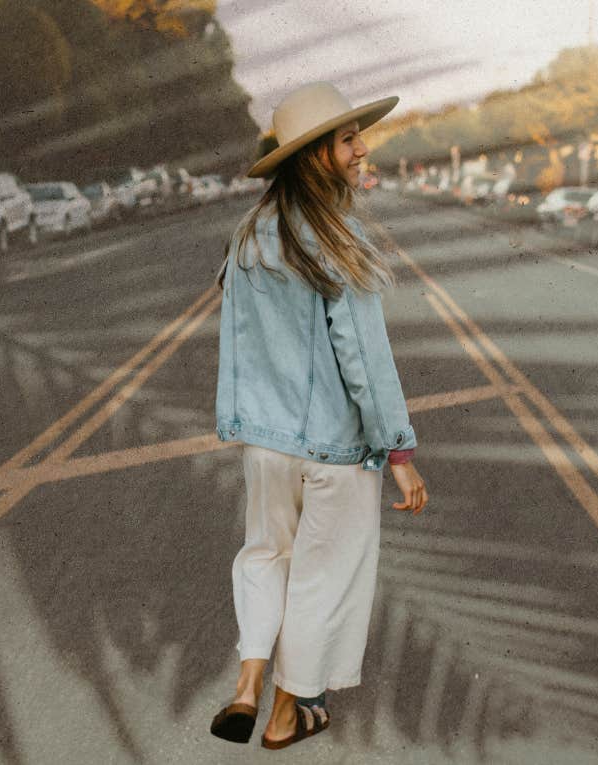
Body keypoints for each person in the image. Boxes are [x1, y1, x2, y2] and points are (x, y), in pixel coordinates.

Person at [209, 82, 429, 751]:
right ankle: (284, 714)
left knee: (264, 556)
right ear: (317, 158)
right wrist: (399, 452)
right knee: (319, 580)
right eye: (348, 138)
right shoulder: (338, 237)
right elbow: (363, 358)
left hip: (266, 444)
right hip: (331, 451)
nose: (363, 147)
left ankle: (247, 681)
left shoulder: (248, 237)